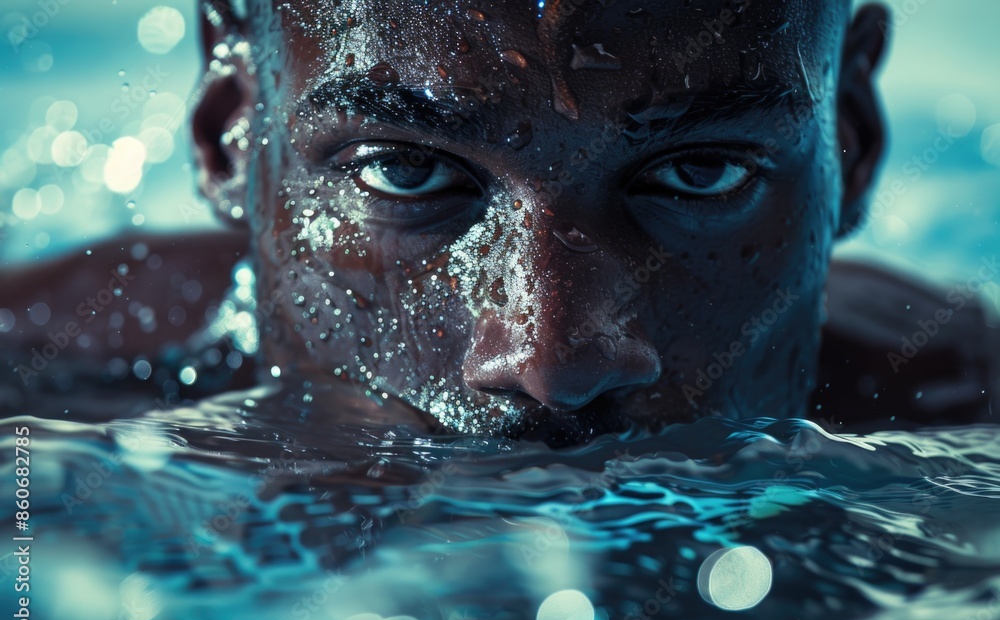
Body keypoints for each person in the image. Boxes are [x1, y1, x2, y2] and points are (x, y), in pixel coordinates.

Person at [1, 0, 997, 444]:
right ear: (231, 129)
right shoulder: (36, 403)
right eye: (404, 170)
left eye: (699, 174)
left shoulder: (967, 412)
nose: (552, 359)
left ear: (854, 141)